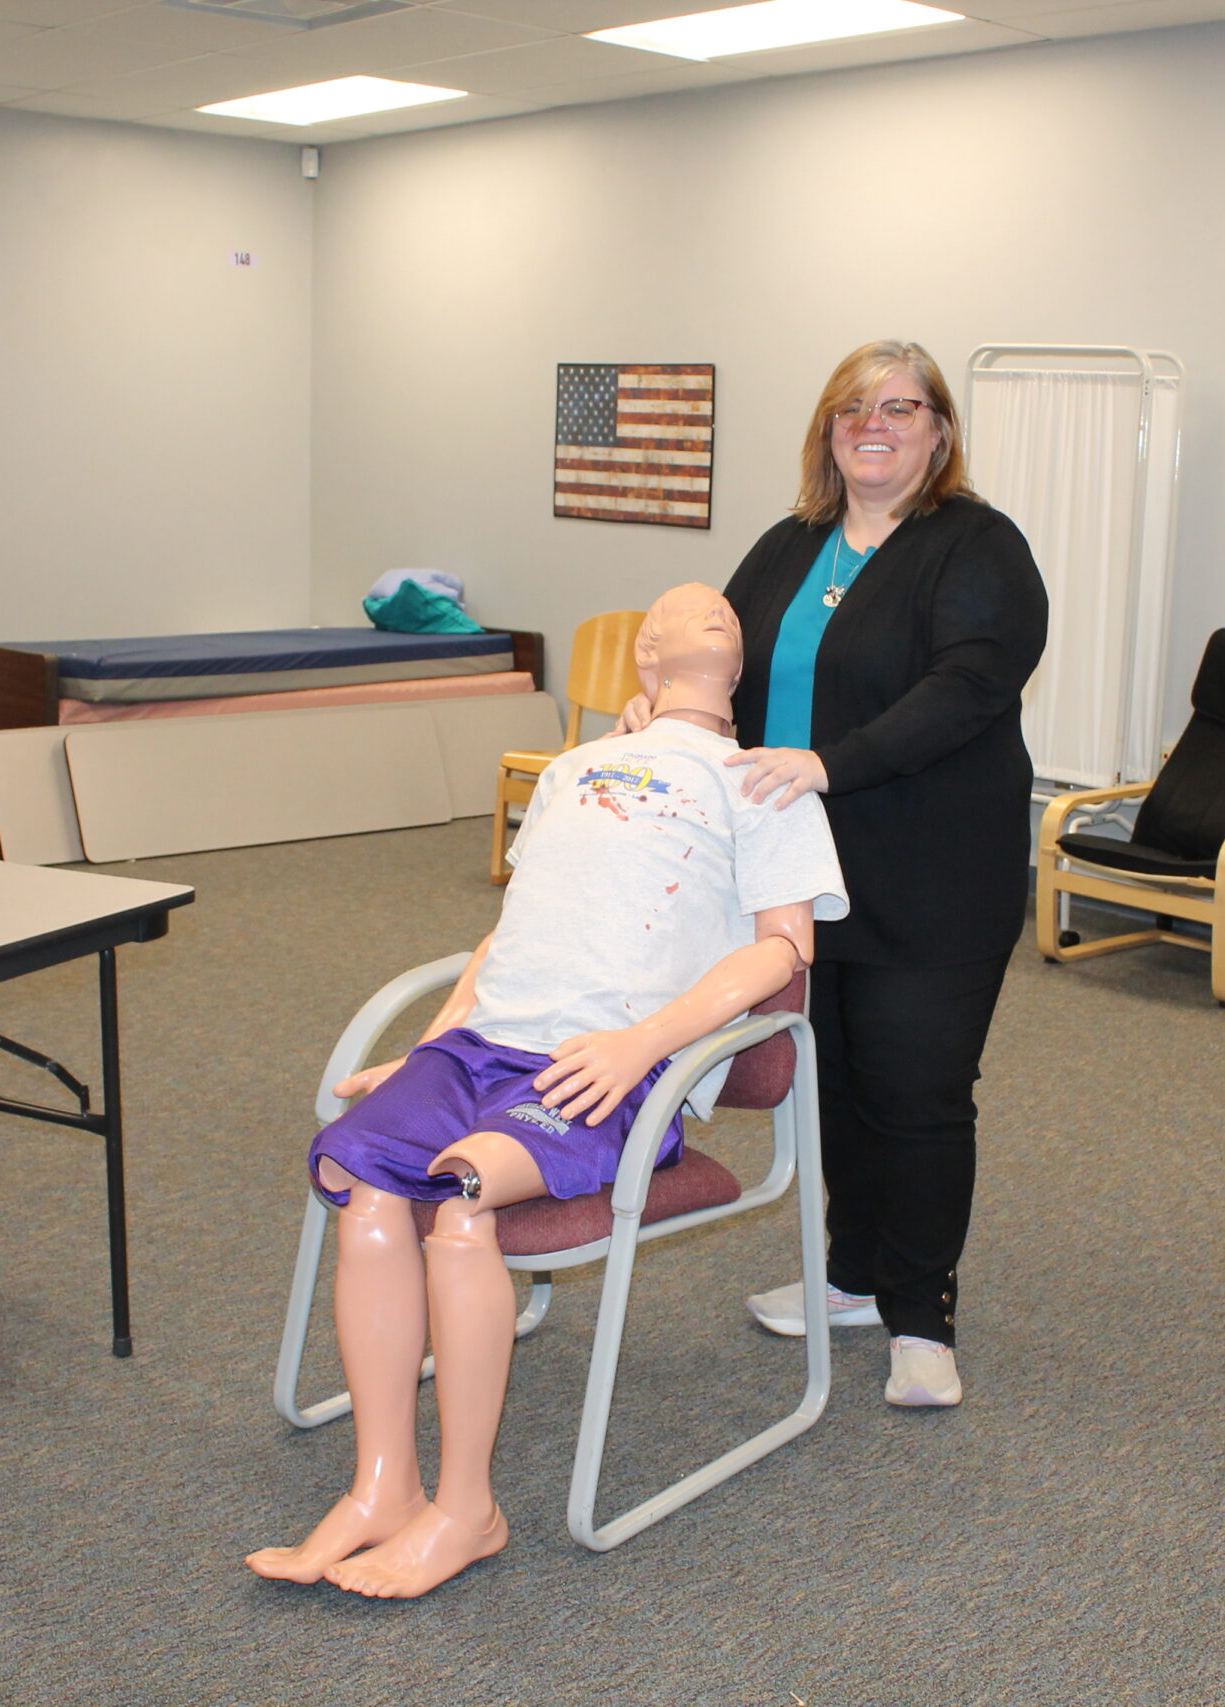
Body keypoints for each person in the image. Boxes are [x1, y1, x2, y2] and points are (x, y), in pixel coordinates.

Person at [245, 583, 847, 1600]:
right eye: (675, 610)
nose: (703, 605)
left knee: (466, 1192)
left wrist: (639, 1045)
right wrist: (428, 1047)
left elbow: (785, 950)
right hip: (482, 1045)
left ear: (737, 666)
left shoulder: (763, 783)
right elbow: (506, 935)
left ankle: (466, 1507)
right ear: (643, 661)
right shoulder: (573, 770)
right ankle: (383, 1484)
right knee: (361, 1177)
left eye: (719, 614)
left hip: (609, 1065)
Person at [624, 339, 1047, 1409]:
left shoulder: (977, 547)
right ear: (827, 429)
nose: (876, 425)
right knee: (838, 1088)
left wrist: (829, 763)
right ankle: (852, 1276)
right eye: (854, 408)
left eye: (901, 409)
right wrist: (662, 708)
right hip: (798, 876)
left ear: (938, 433)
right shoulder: (789, 544)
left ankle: (921, 1321)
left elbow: (969, 686)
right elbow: (716, 666)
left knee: (917, 1091)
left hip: (933, 869)